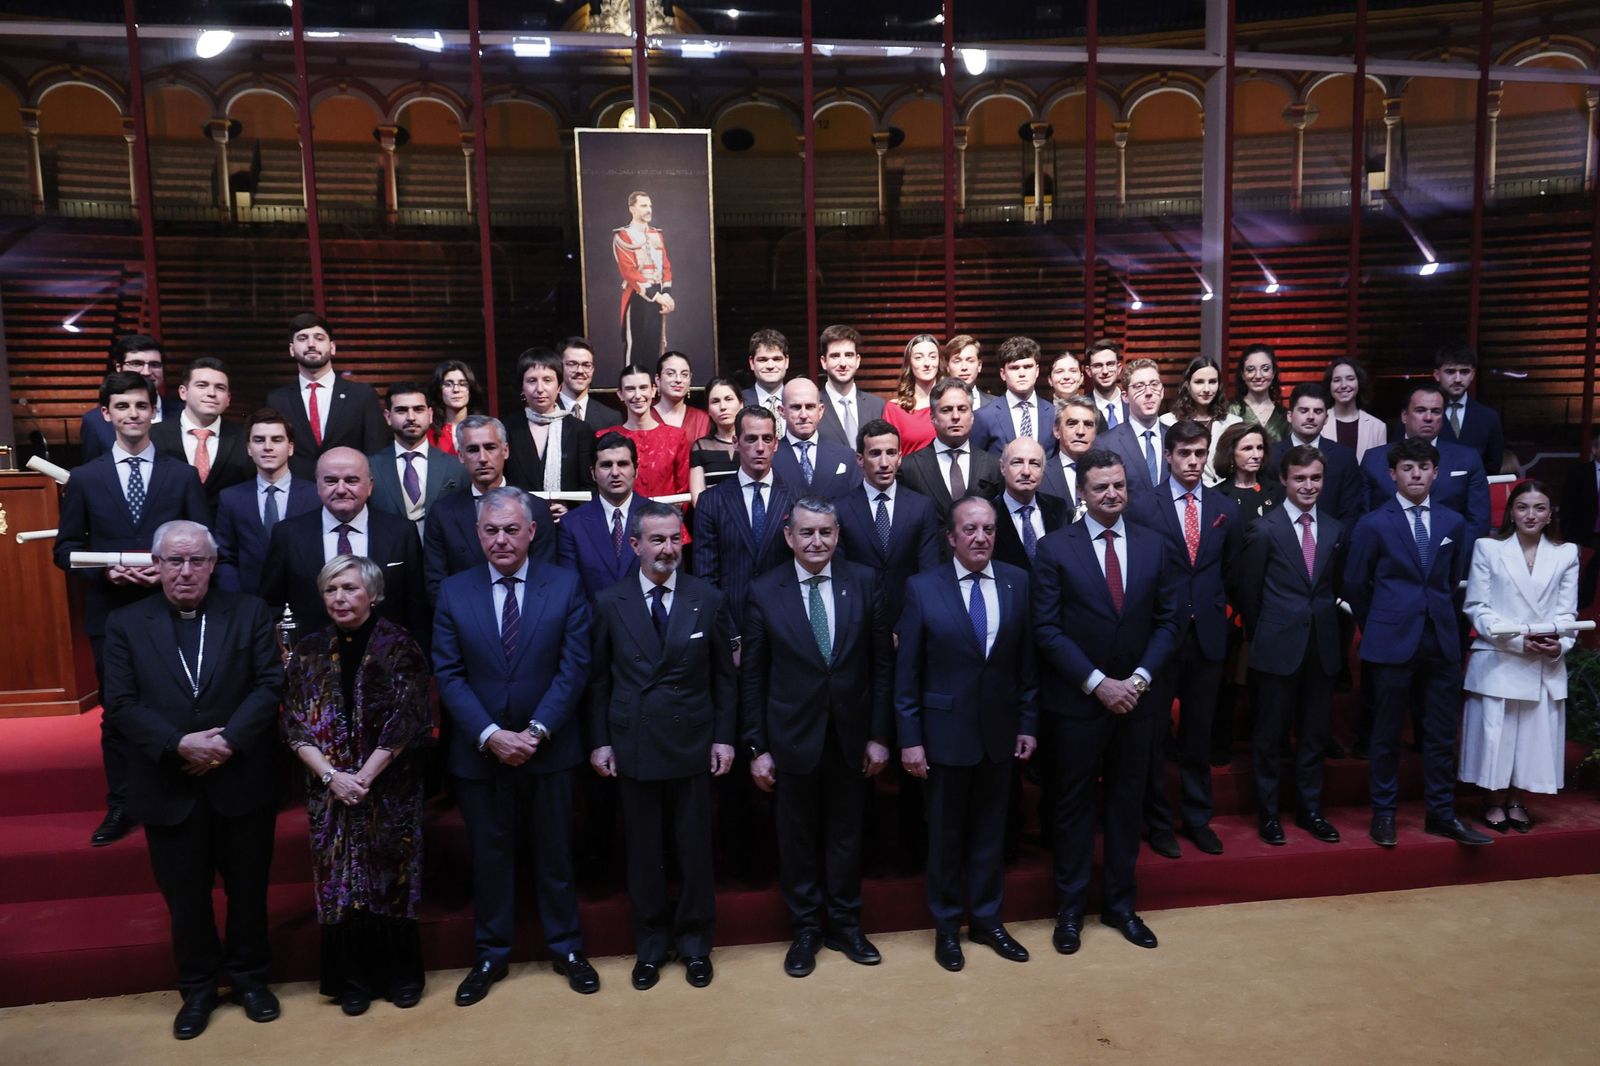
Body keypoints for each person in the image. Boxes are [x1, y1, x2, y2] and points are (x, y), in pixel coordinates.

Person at [101, 520, 284, 1040]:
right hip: (169, 782)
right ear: (155, 566)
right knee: (186, 897)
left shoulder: (248, 612)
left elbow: (271, 682)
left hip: (240, 775)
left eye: (197, 560)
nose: (186, 571)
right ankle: (199, 987)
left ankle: (250, 979)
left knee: (249, 891)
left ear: (213, 564)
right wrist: (180, 744)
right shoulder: (126, 624)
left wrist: (226, 742)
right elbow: (120, 703)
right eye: (175, 561)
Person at [433, 487, 597, 1004]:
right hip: (480, 755)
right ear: (477, 534)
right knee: (490, 857)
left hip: (548, 750)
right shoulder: (454, 591)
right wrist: (490, 735)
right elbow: (449, 673)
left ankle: (568, 948)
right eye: (490, 530)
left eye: (510, 529)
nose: (500, 539)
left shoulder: (566, 585)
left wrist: (536, 732)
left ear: (531, 532)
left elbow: (575, 668)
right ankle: (490, 954)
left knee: (555, 856)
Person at [1032, 449, 1182, 953]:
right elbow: (1047, 631)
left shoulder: (1155, 546)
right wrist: (1098, 683)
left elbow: (1169, 622)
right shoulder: (1054, 549)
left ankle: (1121, 906)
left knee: (1125, 805)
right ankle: (1070, 911)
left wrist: (1137, 680)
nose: (1112, 494)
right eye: (1101, 487)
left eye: (1118, 485)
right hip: (1078, 703)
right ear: (1082, 492)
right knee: (1073, 807)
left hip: (1138, 701)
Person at [740, 497, 893, 978]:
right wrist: (756, 747)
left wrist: (879, 735)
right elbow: (753, 678)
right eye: (807, 533)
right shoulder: (765, 591)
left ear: (837, 534)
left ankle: (846, 925)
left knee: (847, 835)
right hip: (790, 738)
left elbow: (882, 667)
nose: (816, 542)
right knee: (798, 837)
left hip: (851, 737)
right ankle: (806, 929)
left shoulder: (864, 582)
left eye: (826, 532)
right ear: (789, 536)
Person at [56, 370, 208, 846]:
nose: (132, 415)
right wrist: (103, 572)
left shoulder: (181, 475)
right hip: (112, 613)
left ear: (154, 412)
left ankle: (183, 792)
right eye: (122, 407)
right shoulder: (84, 478)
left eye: (141, 406)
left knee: (180, 702)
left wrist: (169, 572)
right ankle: (121, 804)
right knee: (118, 711)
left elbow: (204, 540)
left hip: (173, 608)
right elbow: (65, 549)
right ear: (107, 414)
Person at [588, 502, 737, 990]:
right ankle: (650, 946)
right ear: (635, 546)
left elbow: (724, 678)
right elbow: (598, 681)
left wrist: (723, 738)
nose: (668, 548)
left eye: (675, 539)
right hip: (634, 742)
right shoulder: (610, 602)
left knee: (694, 850)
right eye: (657, 540)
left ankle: (695, 945)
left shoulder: (707, 597)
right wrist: (600, 742)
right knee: (644, 851)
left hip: (692, 739)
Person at [283, 555, 431, 1015]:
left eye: (349, 588)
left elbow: (409, 717)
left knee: (390, 878)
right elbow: (292, 724)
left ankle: (401, 976)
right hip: (329, 789)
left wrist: (363, 776)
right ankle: (352, 982)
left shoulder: (399, 645)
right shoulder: (307, 651)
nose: (340, 598)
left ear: (373, 593)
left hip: (388, 787)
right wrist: (331, 777)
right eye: (331, 589)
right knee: (338, 885)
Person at [895, 497, 1038, 971]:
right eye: (970, 530)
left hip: (999, 733)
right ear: (952, 537)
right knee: (945, 836)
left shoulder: (1018, 582)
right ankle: (946, 928)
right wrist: (910, 737)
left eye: (988, 529)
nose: (981, 537)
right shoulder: (922, 588)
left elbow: (1026, 666)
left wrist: (1027, 724)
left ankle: (987, 921)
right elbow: (907, 673)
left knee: (990, 834)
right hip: (942, 735)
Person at [1344, 438, 1493, 848]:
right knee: (1386, 732)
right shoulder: (1373, 522)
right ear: (1392, 474)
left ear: (1435, 472)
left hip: (1441, 638)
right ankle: (1385, 814)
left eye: (1423, 467)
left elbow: (1452, 579)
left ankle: (1441, 815)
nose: (1416, 475)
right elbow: (1356, 583)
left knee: (1442, 734)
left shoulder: (1452, 523)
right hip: (1391, 638)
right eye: (1407, 468)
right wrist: (1379, 619)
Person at [1124, 420, 1242, 857]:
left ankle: (1197, 818)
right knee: (1153, 736)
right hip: (1159, 637)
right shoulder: (1142, 506)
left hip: (1207, 634)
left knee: (1198, 734)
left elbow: (1228, 569)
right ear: (1169, 456)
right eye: (1185, 454)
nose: (1193, 462)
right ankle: (1157, 824)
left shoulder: (1222, 506)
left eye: (1199, 454)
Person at [1233, 445, 1346, 847]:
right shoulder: (1264, 529)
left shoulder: (1334, 528)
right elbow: (1249, 593)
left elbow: (1336, 586)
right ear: (1284, 480)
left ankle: (1310, 810)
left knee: (1314, 735)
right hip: (1276, 646)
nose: (1308, 485)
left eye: (1315, 478)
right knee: (1269, 737)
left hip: (1322, 647)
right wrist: (1265, 632)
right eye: (1300, 478)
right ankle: (1269, 814)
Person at [1460, 481, 1579, 832]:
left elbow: (1567, 613)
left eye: (1539, 507)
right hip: (1500, 655)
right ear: (1511, 511)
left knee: (1531, 736)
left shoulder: (1565, 553)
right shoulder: (1489, 548)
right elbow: (1477, 606)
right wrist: (1516, 640)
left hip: (1543, 658)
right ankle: (1493, 799)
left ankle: (1516, 799)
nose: (1531, 514)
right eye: (1523, 507)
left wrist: (1560, 643)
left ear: (1549, 514)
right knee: (1497, 735)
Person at [259, 447, 428, 651]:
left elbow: (417, 608)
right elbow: (271, 604)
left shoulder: (401, 532)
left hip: (385, 661)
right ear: (318, 486)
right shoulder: (287, 534)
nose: (341, 489)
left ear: (370, 486)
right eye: (331, 481)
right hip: (311, 662)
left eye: (351, 480)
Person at [422, 415, 556, 602]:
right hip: (465, 621)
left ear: (505, 450)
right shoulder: (443, 514)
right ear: (460, 456)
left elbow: (545, 578)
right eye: (473, 450)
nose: (482, 458)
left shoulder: (537, 509)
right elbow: (437, 586)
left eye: (490, 447)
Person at [691, 405, 796, 635]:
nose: (760, 448)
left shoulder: (795, 499)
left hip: (786, 627)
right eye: (751, 439)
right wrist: (730, 637)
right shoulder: (711, 502)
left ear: (776, 444)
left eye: (767, 439)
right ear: (736, 442)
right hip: (731, 626)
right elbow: (706, 579)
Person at [835, 418, 941, 622]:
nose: (884, 463)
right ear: (859, 459)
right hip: (858, 624)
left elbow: (929, 576)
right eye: (875, 454)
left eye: (891, 453)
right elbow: (841, 578)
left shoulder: (921, 507)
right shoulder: (840, 509)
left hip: (910, 621)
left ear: (900, 458)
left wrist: (906, 626)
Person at [265, 314, 389, 480]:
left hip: (349, 493)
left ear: (332, 347)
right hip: (297, 496)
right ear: (291, 349)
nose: (311, 344)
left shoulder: (362, 395)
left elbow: (376, 453)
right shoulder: (277, 400)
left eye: (319, 338)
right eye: (302, 338)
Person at [1360, 382, 1490, 539]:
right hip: (1388, 555)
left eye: (1436, 412)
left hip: (1451, 555)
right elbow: (1363, 518)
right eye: (1420, 410)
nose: (1428, 418)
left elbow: (1478, 522)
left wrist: (1455, 556)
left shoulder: (1467, 459)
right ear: (1404, 416)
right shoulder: (1374, 459)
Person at [215, 409, 319, 596]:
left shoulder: (316, 495)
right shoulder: (230, 498)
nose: (267, 447)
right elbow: (225, 559)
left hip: (306, 602)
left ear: (290, 447)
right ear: (248, 448)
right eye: (259, 440)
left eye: (277, 440)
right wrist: (237, 602)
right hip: (247, 605)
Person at [150, 356, 253, 511]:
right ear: (183, 392)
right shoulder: (153, 435)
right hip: (170, 530)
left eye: (220, 388)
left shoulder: (245, 438)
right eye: (202, 385)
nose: (211, 393)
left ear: (228, 399)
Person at [896, 377, 1002, 526]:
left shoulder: (994, 466)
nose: (955, 416)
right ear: (932, 417)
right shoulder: (908, 468)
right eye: (946, 410)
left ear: (972, 416)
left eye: (962, 409)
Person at [559, 432, 649, 603]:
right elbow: (571, 592)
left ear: (635, 470)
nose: (615, 473)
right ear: (593, 473)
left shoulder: (658, 517)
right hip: (594, 626)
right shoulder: (572, 524)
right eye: (606, 465)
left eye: (622, 464)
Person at [505, 347, 596, 514]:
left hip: (567, 525)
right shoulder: (507, 428)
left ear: (559, 386)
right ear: (522, 388)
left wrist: (569, 508)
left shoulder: (579, 431)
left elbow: (590, 487)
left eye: (547, 380)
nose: (540, 389)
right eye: (532, 381)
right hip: (519, 522)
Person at [367, 381, 466, 532]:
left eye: (418, 409)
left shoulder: (455, 467)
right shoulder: (370, 467)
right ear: (388, 417)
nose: (411, 417)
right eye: (402, 411)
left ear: (430, 414)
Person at [1268, 383, 1365, 526]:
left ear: (1326, 418)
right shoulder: (1271, 455)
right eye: (1304, 410)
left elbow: (1351, 511)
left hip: (1333, 542)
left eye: (1318, 411)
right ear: (1289, 415)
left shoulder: (1344, 457)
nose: (1311, 417)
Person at [80, 334, 178, 461]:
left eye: (154, 364)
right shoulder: (94, 421)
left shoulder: (183, 413)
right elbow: (92, 472)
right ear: (119, 368)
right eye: (137, 364)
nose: (146, 372)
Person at [610, 363, 691, 499]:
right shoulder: (607, 436)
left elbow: (683, 491)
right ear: (620, 394)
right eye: (630, 389)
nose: (637, 395)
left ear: (653, 390)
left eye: (643, 388)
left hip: (667, 517)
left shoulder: (676, 437)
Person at [773, 377, 863, 498]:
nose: (803, 415)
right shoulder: (768, 458)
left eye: (810, 407)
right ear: (782, 411)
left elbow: (856, 503)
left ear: (820, 411)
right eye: (796, 407)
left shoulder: (846, 457)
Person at [1158, 355, 1239, 486]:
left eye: (1212, 382)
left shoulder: (1234, 423)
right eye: (1199, 382)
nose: (1206, 389)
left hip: (1226, 495)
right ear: (1187, 385)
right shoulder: (1168, 421)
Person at [989, 436, 1068, 571]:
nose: (1026, 472)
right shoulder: (988, 514)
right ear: (1002, 468)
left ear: (1043, 470)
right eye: (1017, 462)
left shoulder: (1058, 508)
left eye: (1034, 464)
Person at [970, 336, 1056, 458]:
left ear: (1037, 371)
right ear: (1003, 374)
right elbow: (976, 464)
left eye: (1027, 367)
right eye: (1014, 368)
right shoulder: (984, 416)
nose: (1022, 374)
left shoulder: (1054, 414)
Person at [613, 192, 674, 361]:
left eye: (650, 206)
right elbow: (629, 272)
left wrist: (666, 294)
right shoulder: (623, 236)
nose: (649, 210)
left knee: (655, 347)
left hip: (658, 297)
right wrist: (657, 296)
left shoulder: (657, 234)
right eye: (643, 206)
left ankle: (652, 386)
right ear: (632, 209)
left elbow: (666, 266)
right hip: (637, 296)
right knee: (635, 347)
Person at [1099, 359, 1167, 497]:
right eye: (1139, 387)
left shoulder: (1176, 438)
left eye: (1154, 384)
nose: (1148, 392)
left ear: (1162, 391)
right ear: (1125, 397)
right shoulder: (1106, 443)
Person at [1434, 343, 1505, 475]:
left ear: (1473, 374)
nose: (1458, 379)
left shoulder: (1488, 417)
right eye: (1450, 372)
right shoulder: (1422, 414)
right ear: (1437, 375)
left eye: (1464, 372)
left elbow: (1493, 465)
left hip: (1474, 491)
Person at [816, 324, 886, 451]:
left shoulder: (878, 406)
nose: (843, 363)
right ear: (824, 362)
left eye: (848, 355)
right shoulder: (812, 407)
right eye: (835, 356)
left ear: (857, 360)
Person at [882, 334, 946, 455]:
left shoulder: (952, 404)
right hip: (908, 472)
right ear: (909, 363)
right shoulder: (895, 409)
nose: (927, 363)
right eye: (918, 358)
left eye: (932, 357)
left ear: (939, 361)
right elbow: (889, 455)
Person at [1558, 430, 1600, 608]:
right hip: (1586, 537)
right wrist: (1571, 541)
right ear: (1594, 449)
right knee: (1585, 581)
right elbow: (1567, 509)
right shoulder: (1579, 473)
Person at [1213, 423, 1284, 524]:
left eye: (1260, 448)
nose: (1256, 455)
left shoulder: (1278, 491)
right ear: (1231, 452)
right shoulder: (1216, 496)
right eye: (1247, 448)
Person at [688, 376, 742, 504]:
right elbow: (698, 501)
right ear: (708, 410)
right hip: (714, 519)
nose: (723, 407)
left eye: (728, 399)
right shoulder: (701, 447)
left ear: (741, 403)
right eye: (715, 401)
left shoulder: (754, 443)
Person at [1322, 357, 1387, 462]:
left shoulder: (1377, 427)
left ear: (1359, 383)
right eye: (1337, 380)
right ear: (1329, 385)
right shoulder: (1319, 423)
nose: (1343, 385)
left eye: (1350, 379)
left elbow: (1379, 468)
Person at [1042, 396, 1098, 513]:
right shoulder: (1041, 474)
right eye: (1072, 424)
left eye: (1088, 424)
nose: (1080, 431)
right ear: (1057, 431)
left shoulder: (1108, 474)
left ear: (1095, 432)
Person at [1227, 344, 1288, 443]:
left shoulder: (1284, 416)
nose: (1258, 376)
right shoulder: (1231, 411)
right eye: (1250, 370)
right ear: (1242, 374)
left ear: (1273, 373)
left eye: (1265, 369)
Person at [559, 337, 624, 429]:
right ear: (561, 367)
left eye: (586, 365)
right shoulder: (545, 412)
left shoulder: (611, 418)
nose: (580, 371)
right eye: (572, 364)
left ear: (593, 369)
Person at [427, 359, 487, 456]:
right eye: (448, 384)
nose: (456, 390)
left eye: (462, 384)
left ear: (470, 390)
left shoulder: (485, 429)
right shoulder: (429, 434)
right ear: (439, 392)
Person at [653, 350, 711, 443]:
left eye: (684, 374)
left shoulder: (702, 419)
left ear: (690, 379)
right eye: (670, 374)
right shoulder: (645, 417)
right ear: (658, 379)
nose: (678, 380)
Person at [741, 328, 790, 415]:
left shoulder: (801, 400)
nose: (770, 366)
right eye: (763, 360)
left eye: (777, 359)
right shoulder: (740, 401)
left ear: (786, 362)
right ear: (752, 363)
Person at [1085, 339, 1127, 429]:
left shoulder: (1134, 404)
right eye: (1098, 365)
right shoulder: (1081, 408)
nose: (1105, 371)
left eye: (1110, 364)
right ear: (1089, 371)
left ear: (1119, 368)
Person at [945, 334, 992, 411]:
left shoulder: (995, 404)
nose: (964, 367)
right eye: (957, 361)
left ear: (979, 365)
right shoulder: (937, 403)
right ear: (947, 366)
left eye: (970, 361)